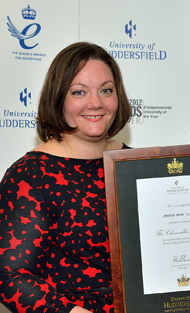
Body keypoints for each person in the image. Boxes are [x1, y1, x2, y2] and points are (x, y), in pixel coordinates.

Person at [0, 42, 131, 313]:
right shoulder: (29, 176)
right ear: (58, 98)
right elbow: (10, 277)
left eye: (106, 90)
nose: (95, 103)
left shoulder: (137, 164)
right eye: (79, 92)